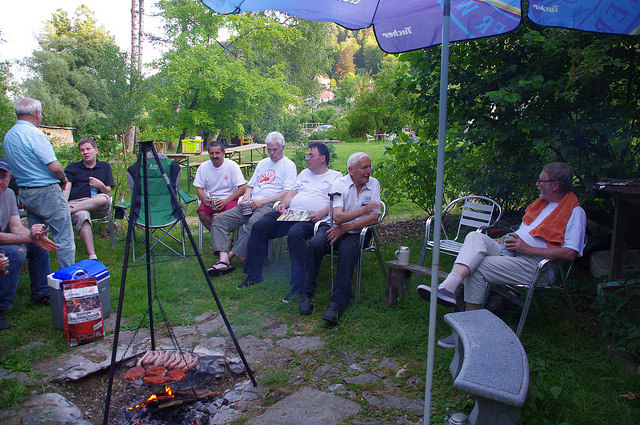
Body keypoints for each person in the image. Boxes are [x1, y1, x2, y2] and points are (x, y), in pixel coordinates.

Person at [417, 162, 587, 348]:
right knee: (475, 236)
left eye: (541, 180)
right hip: (513, 252)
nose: (537, 184)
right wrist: (503, 241)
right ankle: (448, 288)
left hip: (536, 266)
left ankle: (467, 332)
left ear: (555, 185)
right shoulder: (541, 205)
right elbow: (527, 233)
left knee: (478, 267)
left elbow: (570, 253)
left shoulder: (575, 212)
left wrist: (527, 249)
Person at [240, 142, 342, 298]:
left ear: (322, 158)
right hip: (292, 213)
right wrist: (282, 204)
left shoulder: (335, 176)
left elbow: (337, 202)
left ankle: (298, 284)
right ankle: (254, 275)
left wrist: (321, 213)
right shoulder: (304, 173)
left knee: (295, 234)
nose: (307, 158)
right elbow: (292, 192)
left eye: (310, 155)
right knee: (260, 225)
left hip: (312, 218)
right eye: (307, 155)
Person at [299, 152, 381, 325]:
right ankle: (306, 294)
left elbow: (375, 218)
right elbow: (338, 217)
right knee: (314, 244)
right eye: (364, 168)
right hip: (332, 227)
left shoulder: (374, 184)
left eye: (369, 166)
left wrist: (347, 227)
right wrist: (363, 211)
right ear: (351, 170)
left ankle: (336, 305)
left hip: (357, 232)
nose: (369, 171)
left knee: (348, 251)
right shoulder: (339, 184)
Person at [209, 131, 297, 279]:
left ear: (282, 147)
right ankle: (223, 259)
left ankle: (230, 256)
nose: (271, 152)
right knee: (220, 220)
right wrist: (246, 197)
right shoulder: (263, 163)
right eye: (269, 149)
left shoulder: (288, 165)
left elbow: (288, 192)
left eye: (275, 149)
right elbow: (251, 185)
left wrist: (263, 201)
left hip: (270, 205)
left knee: (253, 223)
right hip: (251, 203)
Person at [2, 98, 75, 268]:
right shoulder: (34, 134)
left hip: (26, 192)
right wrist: (63, 179)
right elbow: (54, 166)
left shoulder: (9, 136)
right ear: (36, 113)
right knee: (64, 239)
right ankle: (68, 284)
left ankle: (42, 288)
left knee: (38, 238)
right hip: (46, 191)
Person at [0, 159, 58, 330]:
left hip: (5, 238)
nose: (0, 181)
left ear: (10, 177)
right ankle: (2, 307)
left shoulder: (9, 194)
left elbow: (15, 226)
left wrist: (33, 235)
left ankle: (41, 293)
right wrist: (28, 238)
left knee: (39, 246)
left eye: (4, 176)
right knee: (16, 253)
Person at [64, 138, 114, 261]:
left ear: (95, 150)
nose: (85, 152)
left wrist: (100, 185)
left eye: (88, 149)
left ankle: (69, 210)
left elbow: (107, 191)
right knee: (82, 215)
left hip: (97, 203)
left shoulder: (104, 166)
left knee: (103, 199)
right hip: (77, 203)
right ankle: (92, 256)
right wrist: (64, 203)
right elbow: (67, 188)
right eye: (82, 150)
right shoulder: (72, 168)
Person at [193, 141, 246, 232]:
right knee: (201, 212)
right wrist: (203, 199)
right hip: (212, 200)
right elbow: (199, 188)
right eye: (211, 153)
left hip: (230, 199)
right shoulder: (203, 167)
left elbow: (242, 189)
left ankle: (232, 239)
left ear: (223, 153)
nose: (214, 156)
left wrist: (226, 200)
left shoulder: (232, 166)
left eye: (217, 153)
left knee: (233, 214)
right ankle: (217, 234)